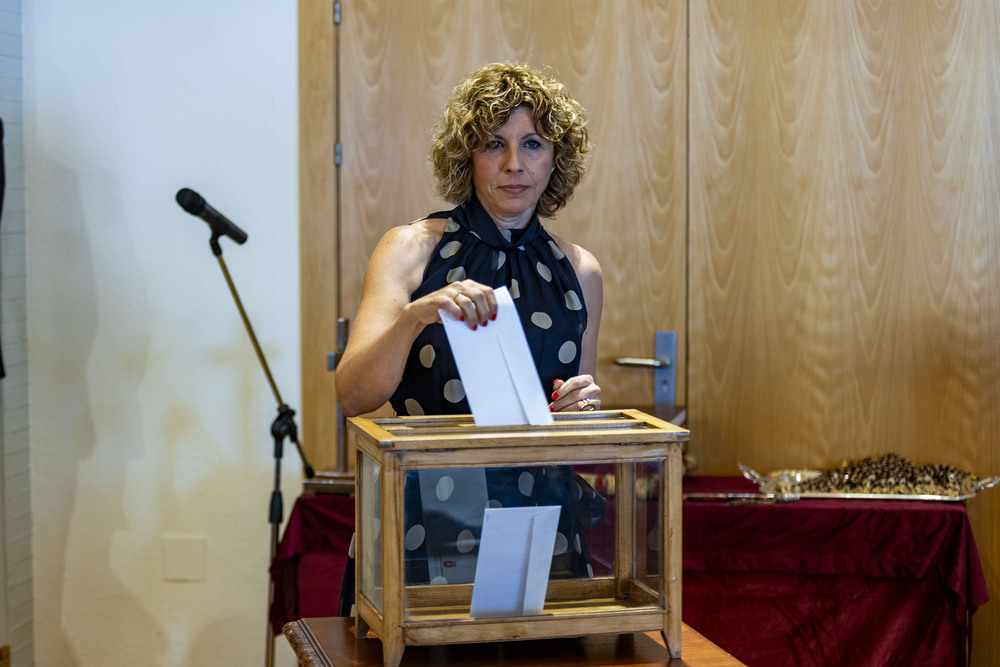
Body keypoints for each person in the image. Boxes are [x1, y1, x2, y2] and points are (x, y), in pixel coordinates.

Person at [336, 63, 606, 609]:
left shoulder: (580, 271)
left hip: (540, 525)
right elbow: (353, 395)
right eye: (492, 143)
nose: (514, 165)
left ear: (556, 159)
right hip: (426, 514)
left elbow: (573, 423)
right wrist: (414, 316)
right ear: (467, 155)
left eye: (532, 144)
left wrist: (585, 408)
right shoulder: (412, 249)